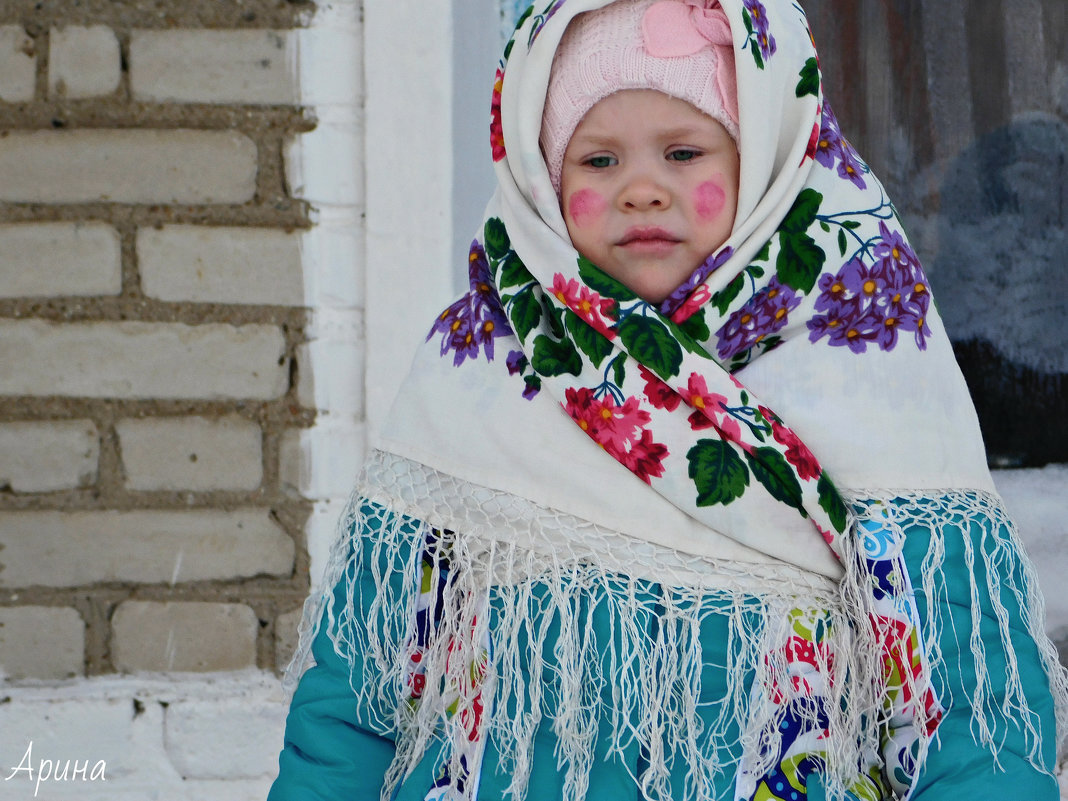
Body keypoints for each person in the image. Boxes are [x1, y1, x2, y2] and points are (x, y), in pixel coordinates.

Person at [268, 1, 1068, 799]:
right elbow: (355, 699)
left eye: (684, 152)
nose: (643, 189)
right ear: (544, 180)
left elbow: (971, 717)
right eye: (598, 161)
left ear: (765, 163)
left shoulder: (867, 365)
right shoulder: (481, 365)